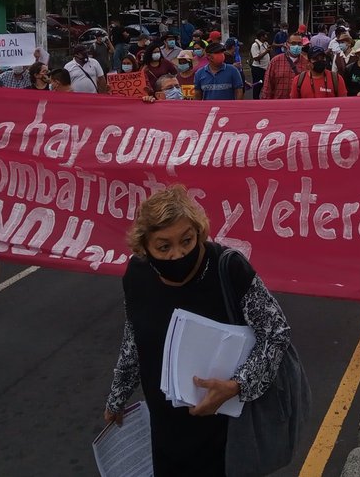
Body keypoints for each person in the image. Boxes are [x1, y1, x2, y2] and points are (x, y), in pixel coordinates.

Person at [104, 186, 292, 476]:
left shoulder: (227, 268)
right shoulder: (138, 276)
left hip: (226, 434)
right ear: (145, 247)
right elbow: (134, 337)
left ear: (199, 232)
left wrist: (238, 385)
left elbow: (276, 331)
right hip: (166, 433)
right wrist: (117, 398)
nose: (178, 254)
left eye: (187, 241)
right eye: (163, 247)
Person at [262, 34, 304, 99]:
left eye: (299, 44)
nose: (296, 46)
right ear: (287, 44)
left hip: (299, 105)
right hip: (279, 104)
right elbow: (267, 86)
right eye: (293, 43)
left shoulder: (307, 63)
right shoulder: (275, 61)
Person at [249, 30, 271, 100]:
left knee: (265, 85)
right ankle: (255, 101)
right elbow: (256, 58)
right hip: (258, 69)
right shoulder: (255, 45)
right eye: (265, 35)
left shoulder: (265, 43)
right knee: (257, 87)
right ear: (261, 37)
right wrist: (266, 51)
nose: (267, 36)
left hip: (265, 68)